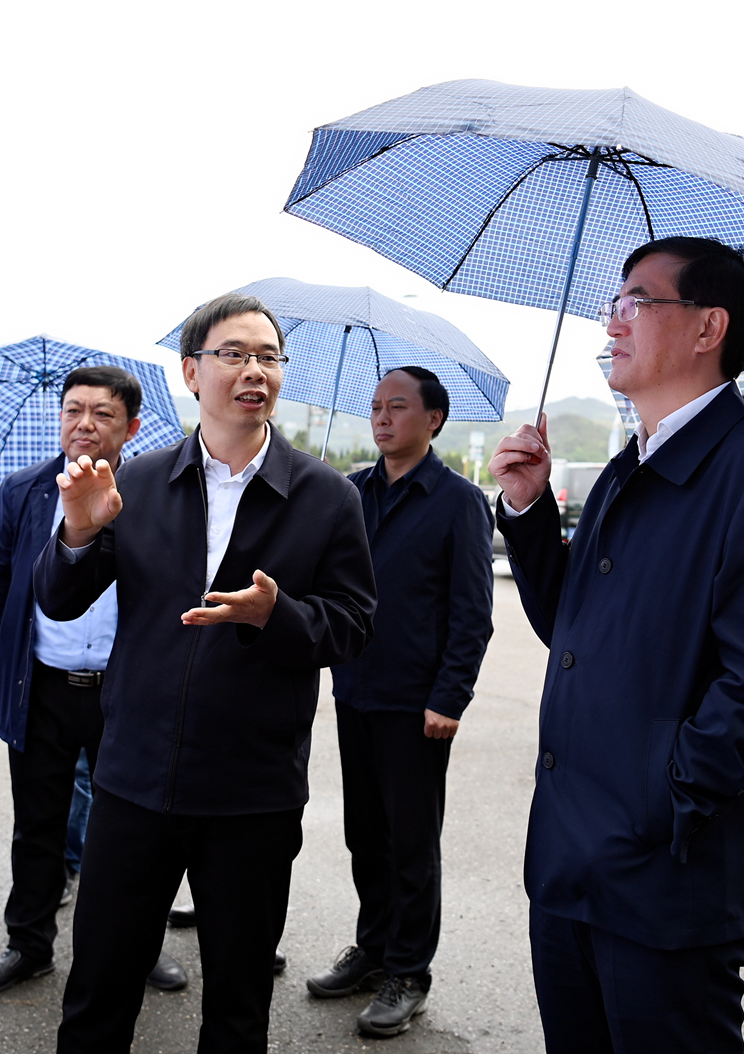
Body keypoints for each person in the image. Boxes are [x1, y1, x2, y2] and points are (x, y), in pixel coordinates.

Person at [490, 238, 744, 1053]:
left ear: (709, 326)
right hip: (572, 859)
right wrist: (529, 510)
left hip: (670, 874)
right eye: (613, 303)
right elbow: (574, 626)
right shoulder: (627, 467)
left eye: (635, 302)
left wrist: (662, 794)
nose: (612, 322)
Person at [35, 293, 377, 1053]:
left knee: (238, 1004)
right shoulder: (140, 481)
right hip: (134, 781)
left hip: (252, 793)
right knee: (97, 995)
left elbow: (353, 626)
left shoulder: (326, 496)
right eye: (234, 354)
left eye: (269, 357)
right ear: (192, 372)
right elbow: (57, 599)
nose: (255, 370)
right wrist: (80, 530)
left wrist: (275, 615)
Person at [0, 366, 188, 997]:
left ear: (132, 427)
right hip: (44, 688)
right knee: (37, 825)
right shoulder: (24, 491)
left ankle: (135, 951)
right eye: (73, 410)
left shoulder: (154, 493)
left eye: (102, 413)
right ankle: (28, 945)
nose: (84, 424)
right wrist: (14, 660)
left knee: (132, 832)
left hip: (125, 694)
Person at [308, 367, 494, 1036]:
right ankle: (374, 948)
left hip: (417, 704)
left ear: (434, 418)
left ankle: (409, 972)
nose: (383, 418)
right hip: (355, 687)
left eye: (398, 407)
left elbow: (472, 612)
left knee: (410, 841)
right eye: (375, 407)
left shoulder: (458, 501)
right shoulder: (350, 491)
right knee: (365, 834)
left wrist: (451, 696)